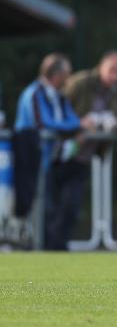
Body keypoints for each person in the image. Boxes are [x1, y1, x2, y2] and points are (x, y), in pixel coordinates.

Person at [62, 50, 117, 249]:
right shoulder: (81, 82)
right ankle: (46, 248)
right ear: (101, 66)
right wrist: (78, 124)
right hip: (60, 152)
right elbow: (58, 108)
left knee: (71, 207)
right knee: (55, 205)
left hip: (83, 156)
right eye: (112, 70)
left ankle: (57, 250)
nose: (115, 76)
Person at [14, 54, 83, 250]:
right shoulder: (34, 94)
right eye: (66, 74)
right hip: (33, 161)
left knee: (62, 207)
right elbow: (43, 124)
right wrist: (76, 125)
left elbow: (73, 120)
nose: (69, 79)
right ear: (55, 74)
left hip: (54, 162)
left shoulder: (60, 97)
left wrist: (76, 124)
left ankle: (54, 247)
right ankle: (34, 247)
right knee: (38, 207)